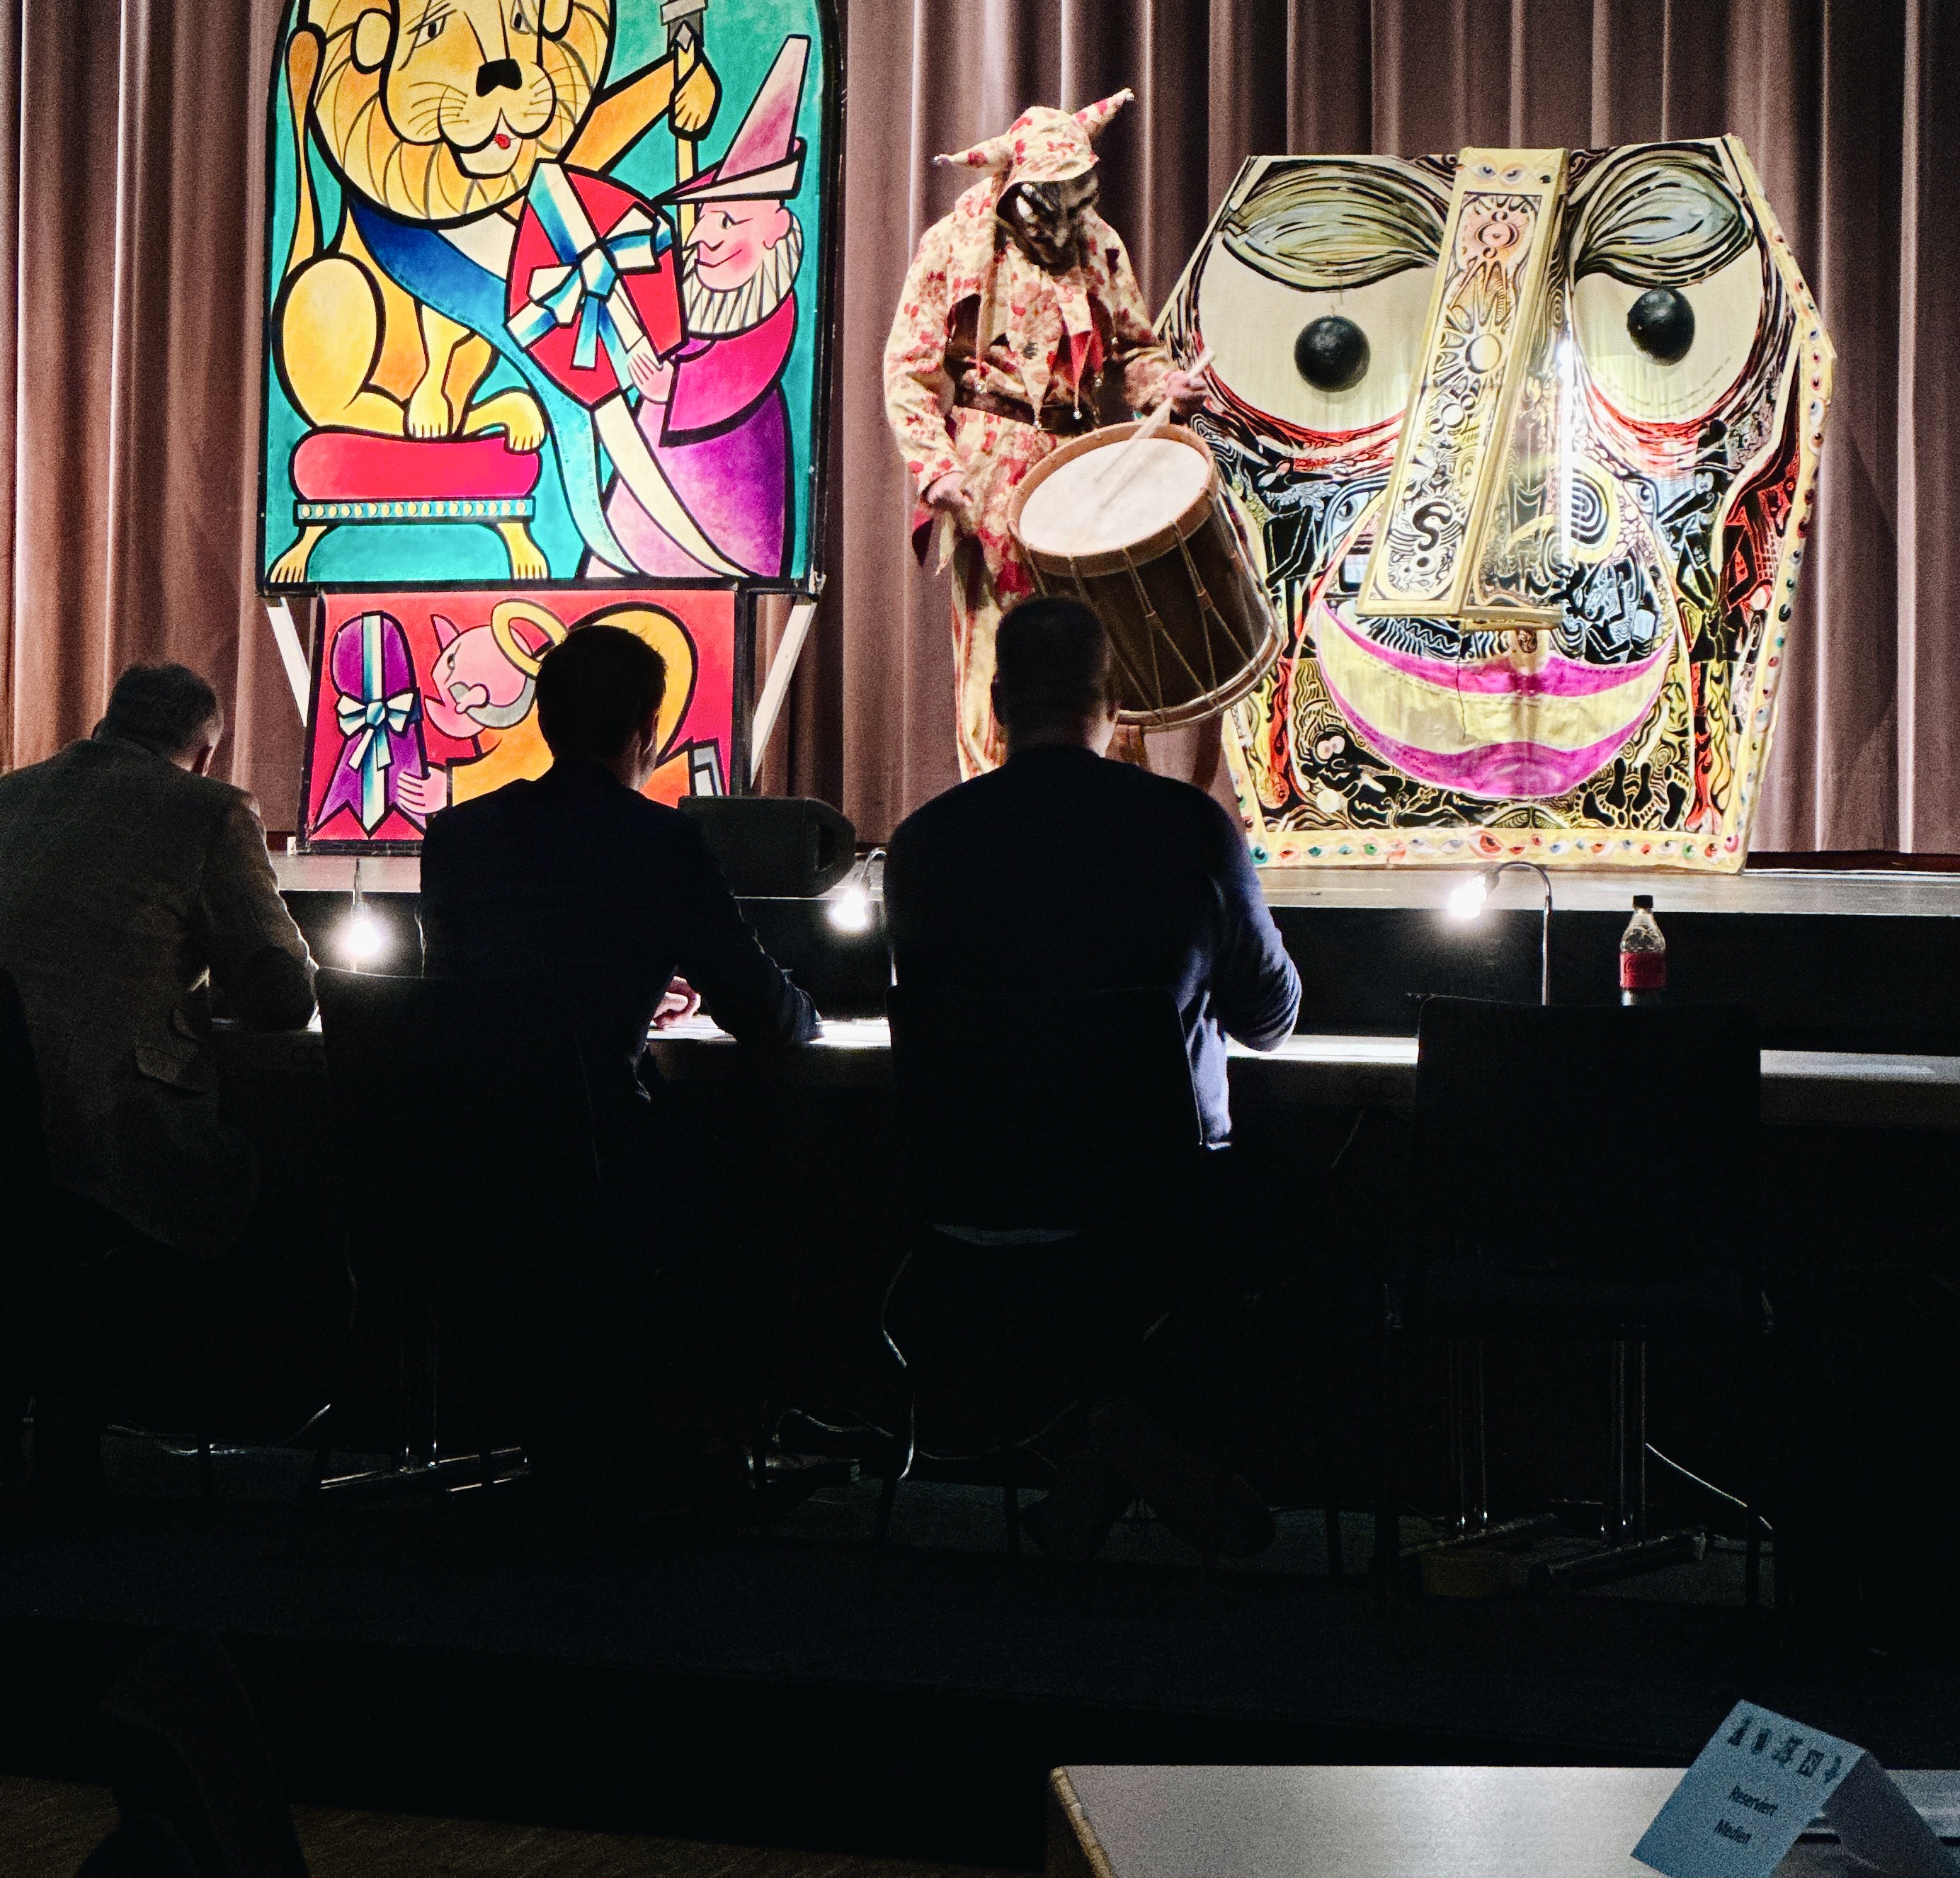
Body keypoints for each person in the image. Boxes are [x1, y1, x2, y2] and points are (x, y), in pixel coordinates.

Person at [882, 595, 1302, 1556]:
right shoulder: (1188, 828)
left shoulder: (923, 843)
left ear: (997, 704)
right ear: (1115, 704)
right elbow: (1271, 1023)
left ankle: (1106, 1451)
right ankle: (1127, 1435)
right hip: (1155, 1203)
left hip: (969, 1197)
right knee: (1297, 1222)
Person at [0, 661, 319, 1508]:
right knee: (278, 1180)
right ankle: (253, 1426)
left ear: (105, 725)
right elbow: (281, 993)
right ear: (205, 753)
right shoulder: (208, 811)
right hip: (93, 1130)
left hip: (10, 1134)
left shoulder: (11, 796)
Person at [882, 89, 1206, 779]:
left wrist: (1163, 388)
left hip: (1079, 467)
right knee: (996, 656)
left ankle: (1105, 806)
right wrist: (936, 468)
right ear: (1012, 188)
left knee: (1097, 644)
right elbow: (909, 369)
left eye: (1075, 201)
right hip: (989, 466)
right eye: (1046, 203)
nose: (1061, 222)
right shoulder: (953, 245)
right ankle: (994, 804)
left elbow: (1136, 349)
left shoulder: (1098, 246)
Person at [419, 620, 821, 1166]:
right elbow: (761, 1012)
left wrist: (627, 990)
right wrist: (807, 1013)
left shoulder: (455, 835)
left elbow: (482, 991)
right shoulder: (662, 840)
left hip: (464, 1165)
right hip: (598, 1169)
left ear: (544, 722)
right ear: (649, 729)